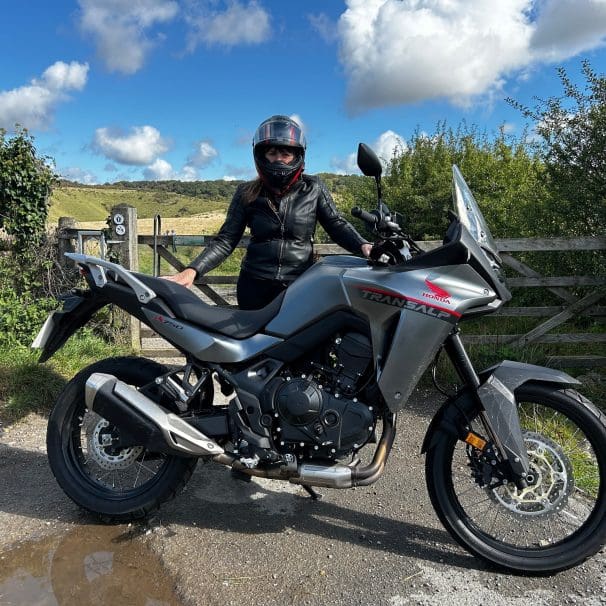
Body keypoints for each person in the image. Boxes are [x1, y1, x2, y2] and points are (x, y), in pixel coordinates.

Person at [165, 115, 372, 310]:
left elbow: (336, 224)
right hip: (254, 285)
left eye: (285, 153)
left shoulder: (313, 187)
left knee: (302, 345)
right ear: (261, 155)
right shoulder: (246, 192)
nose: (279, 160)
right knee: (254, 345)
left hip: (299, 285)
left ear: (297, 156)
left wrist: (363, 245)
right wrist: (191, 271)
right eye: (272, 153)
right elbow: (226, 240)